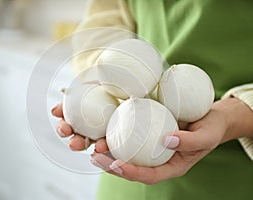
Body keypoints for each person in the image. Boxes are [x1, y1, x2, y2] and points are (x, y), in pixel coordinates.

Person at [52, 0, 253, 199]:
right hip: (124, 170)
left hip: (233, 173)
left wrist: (236, 113)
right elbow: (105, 19)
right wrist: (105, 80)